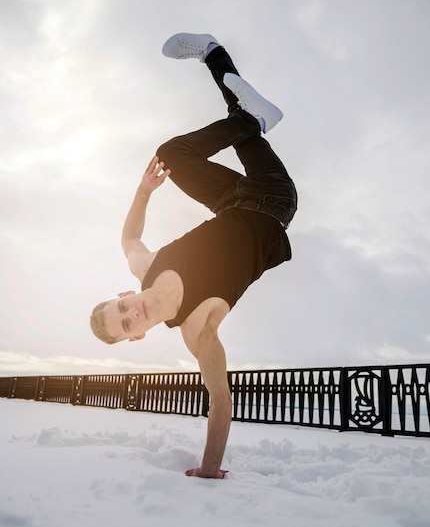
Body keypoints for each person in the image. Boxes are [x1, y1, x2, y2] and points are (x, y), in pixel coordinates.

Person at [90, 33, 297, 478]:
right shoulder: (197, 329)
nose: (133, 311)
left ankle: (212, 54)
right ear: (138, 337)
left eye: (123, 305)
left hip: (229, 199)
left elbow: (128, 240)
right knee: (240, 117)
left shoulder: (146, 271)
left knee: (170, 154)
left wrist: (142, 192)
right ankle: (250, 117)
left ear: (126, 292)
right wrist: (208, 470)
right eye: (129, 323)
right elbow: (220, 402)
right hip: (274, 201)